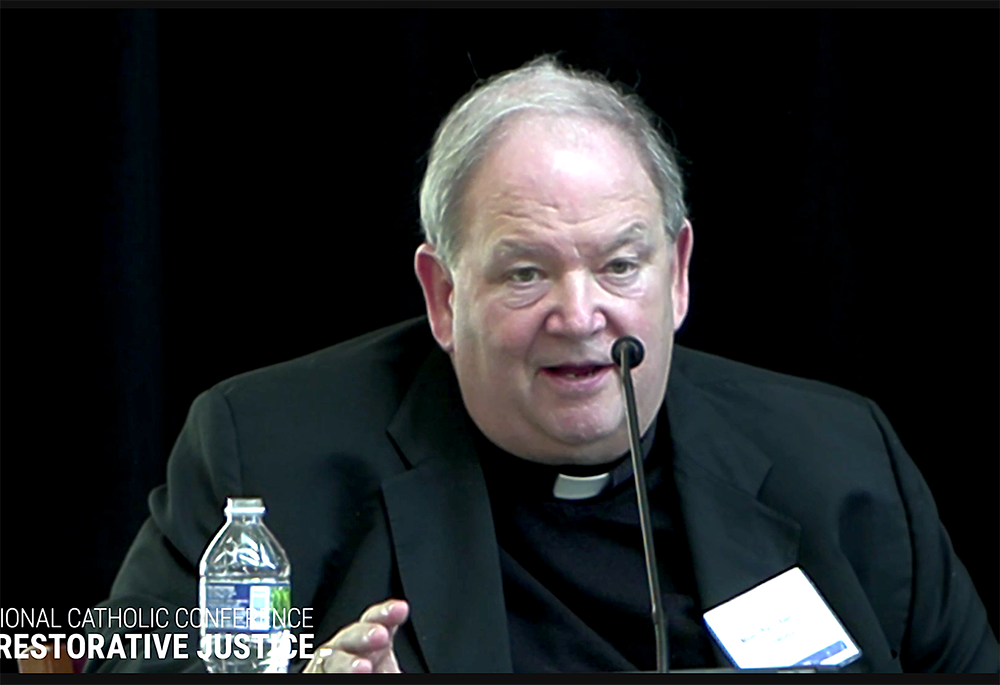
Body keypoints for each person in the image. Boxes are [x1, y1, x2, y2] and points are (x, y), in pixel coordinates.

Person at [89, 57, 998, 673]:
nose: (580, 313)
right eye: (526, 272)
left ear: (677, 274)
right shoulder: (270, 458)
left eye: (619, 264)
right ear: (443, 296)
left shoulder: (840, 457)